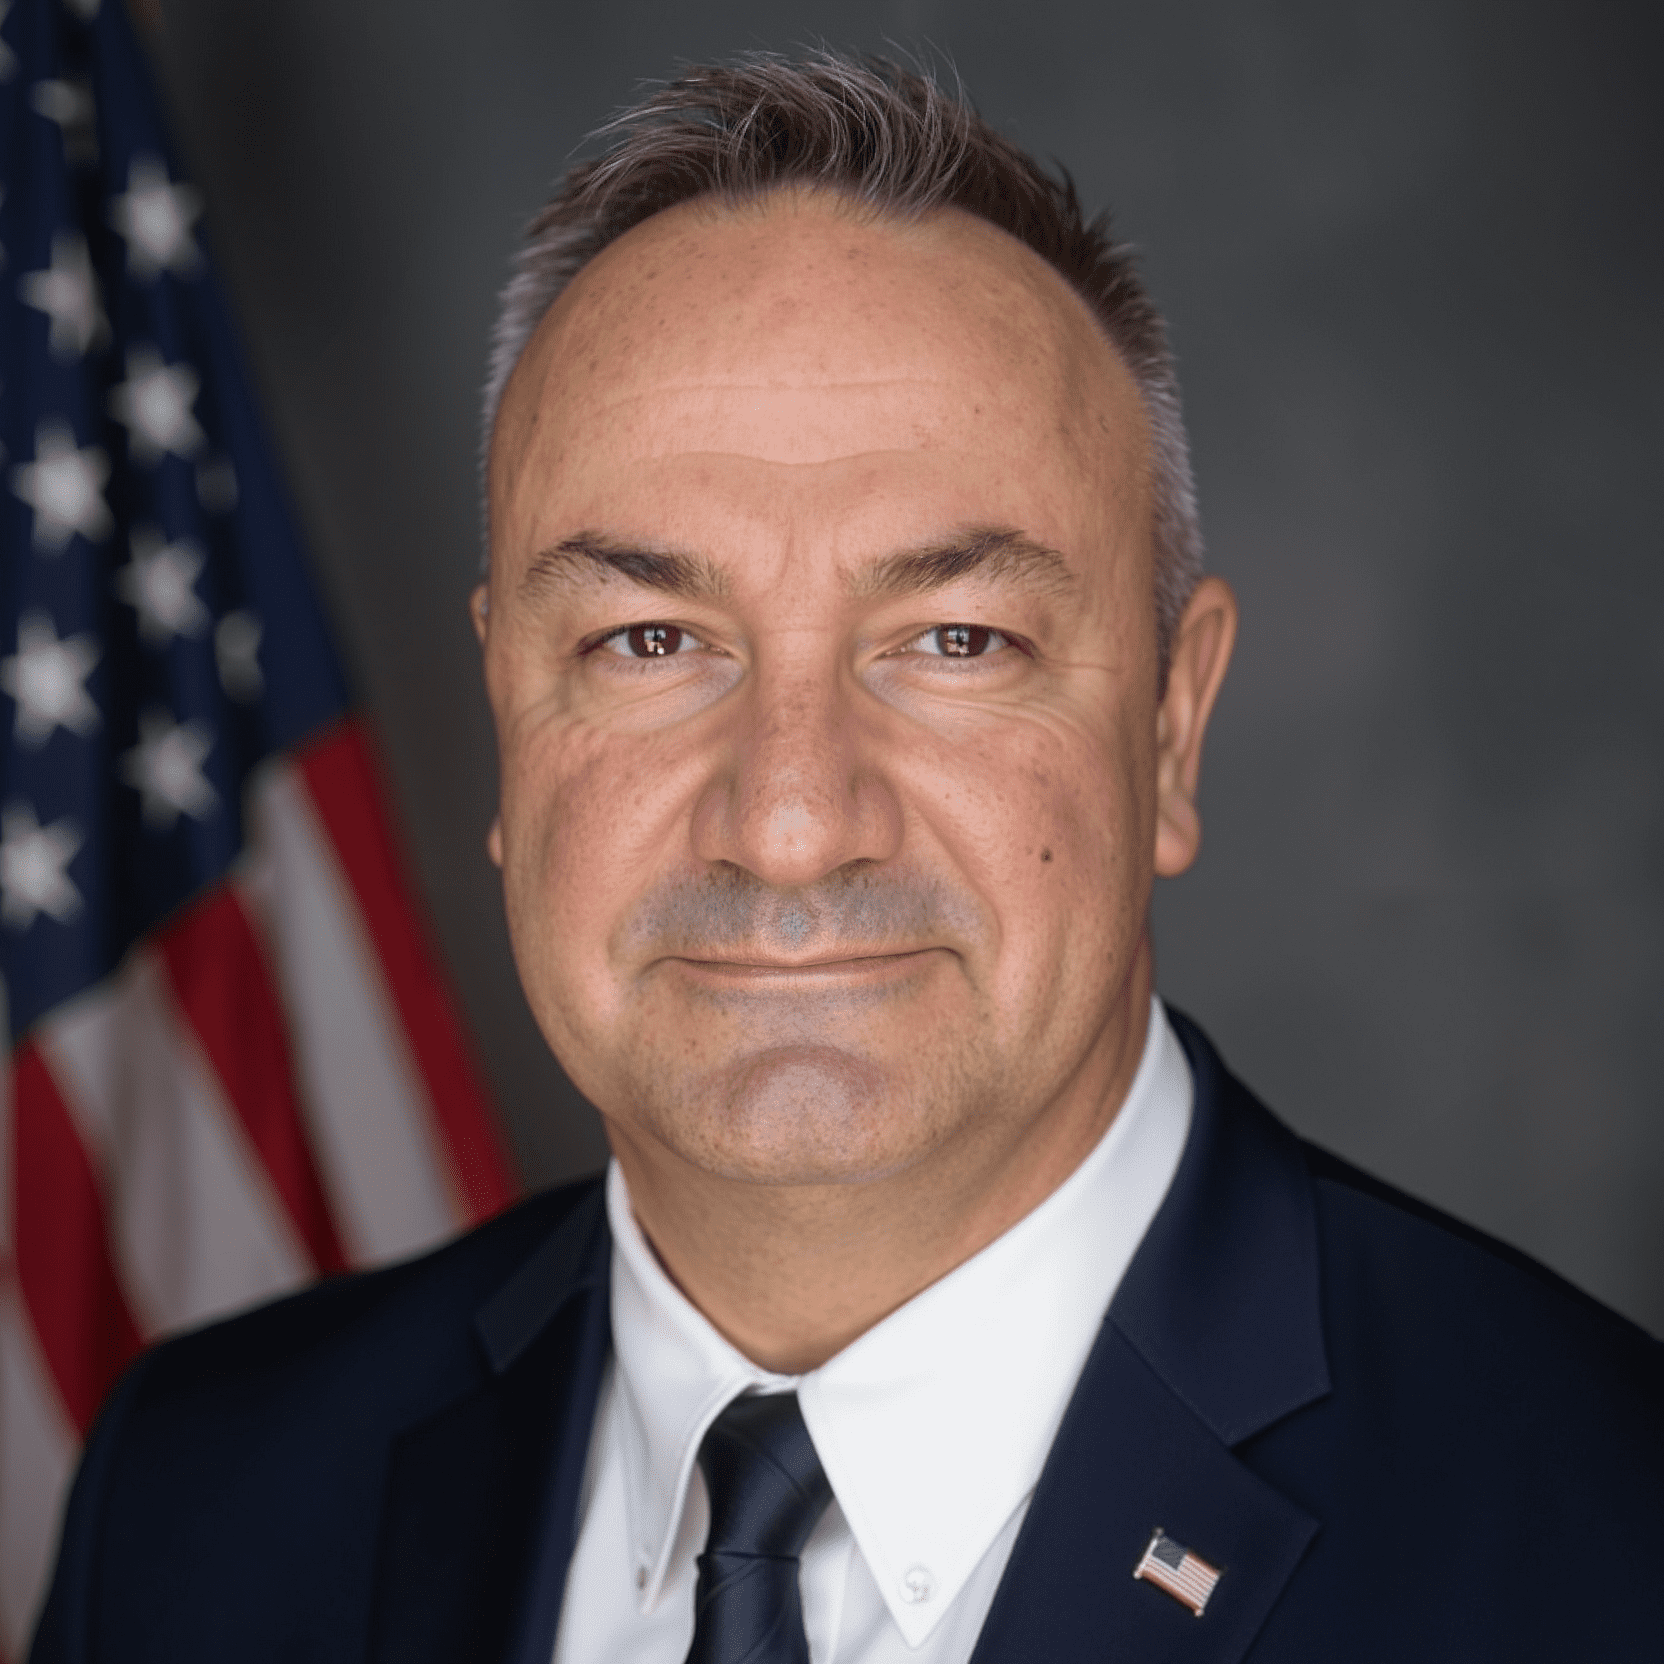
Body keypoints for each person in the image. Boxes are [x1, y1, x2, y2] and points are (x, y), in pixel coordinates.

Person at [30, 52, 1661, 1664]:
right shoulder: (195, 1502)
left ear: (1172, 725)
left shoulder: (1605, 1541)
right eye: (649, 640)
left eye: (955, 639)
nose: (793, 822)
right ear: (510, 716)